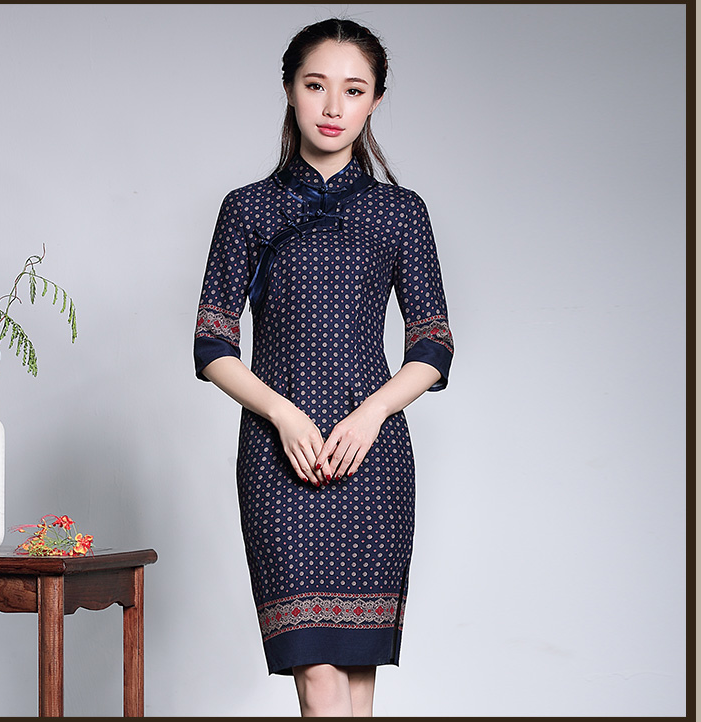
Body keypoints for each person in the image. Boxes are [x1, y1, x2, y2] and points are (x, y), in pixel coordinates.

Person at [193, 17, 453, 717]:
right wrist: (281, 415)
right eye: (316, 85)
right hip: (279, 458)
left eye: (354, 90)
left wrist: (372, 415)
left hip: (373, 459)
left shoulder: (401, 213)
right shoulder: (247, 209)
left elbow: (433, 345)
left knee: (357, 682)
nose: (333, 106)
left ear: (375, 101)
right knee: (318, 676)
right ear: (289, 89)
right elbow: (212, 344)